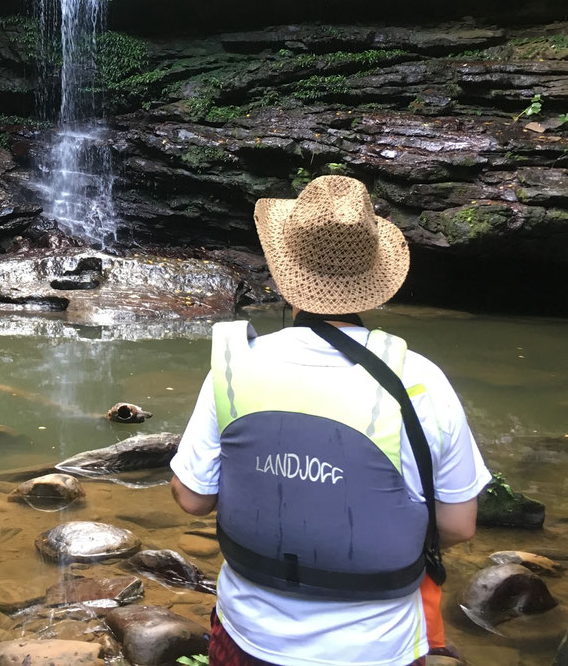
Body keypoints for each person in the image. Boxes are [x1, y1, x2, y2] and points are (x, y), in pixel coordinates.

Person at [169, 175, 491, 666]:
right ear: (375, 285)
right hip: (378, 648)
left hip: (249, 637)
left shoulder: (234, 367)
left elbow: (192, 499)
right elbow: (459, 525)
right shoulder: (422, 381)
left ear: (281, 275)